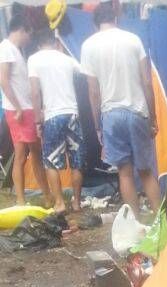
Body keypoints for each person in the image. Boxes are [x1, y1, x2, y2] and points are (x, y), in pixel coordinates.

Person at [80, 0, 160, 216]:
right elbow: (146, 82)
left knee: (124, 173)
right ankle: (161, 222)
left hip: (111, 115)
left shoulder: (88, 46)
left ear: (96, 23)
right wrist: (153, 117)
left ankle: (134, 221)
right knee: (145, 171)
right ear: (115, 17)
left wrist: (98, 124)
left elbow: (93, 90)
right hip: (137, 112)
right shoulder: (133, 40)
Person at [28, 12, 86, 214]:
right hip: (72, 114)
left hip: (52, 116)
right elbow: (82, 73)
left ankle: (60, 203)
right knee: (76, 160)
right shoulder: (66, 59)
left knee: (51, 161)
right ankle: (77, 202)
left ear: (38, 44)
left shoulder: (34, 60)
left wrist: (37, 119)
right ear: (55, 42)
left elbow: (35, 91)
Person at [0, 14, 52, 208]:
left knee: (26, 154)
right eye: (28, 35)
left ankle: (29, 198)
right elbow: (3, 80)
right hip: (20, 110)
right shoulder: (6, 48)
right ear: (21, 30)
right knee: (31, 153)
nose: (29, 39)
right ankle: (38, 197)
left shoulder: (14, 50)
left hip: (23, 109)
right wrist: (19, 107)